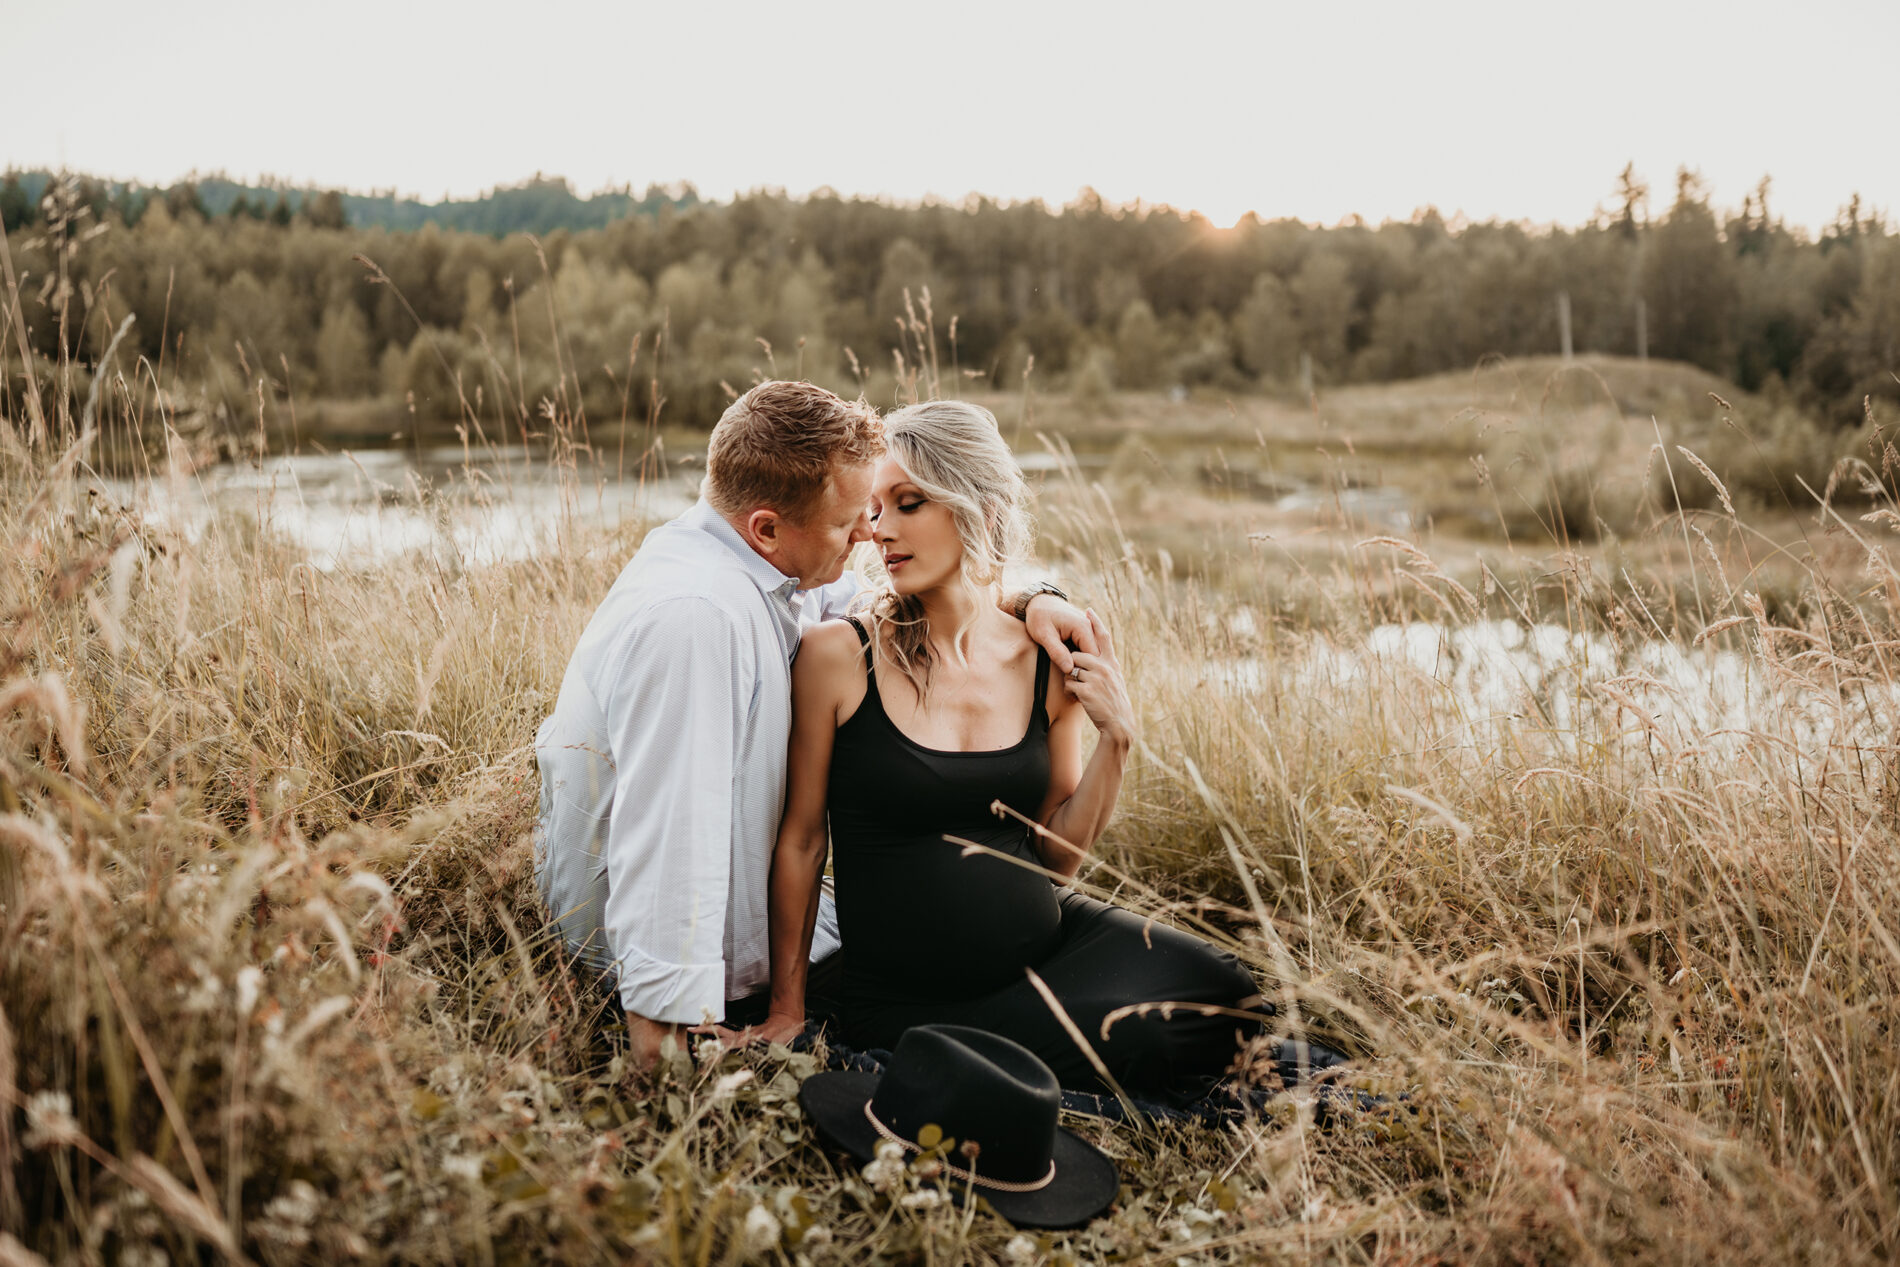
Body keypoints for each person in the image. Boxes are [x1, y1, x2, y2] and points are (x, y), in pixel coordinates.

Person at [533, 381, 1095, 1070]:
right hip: (672, 968)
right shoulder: (697, 619)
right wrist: (664, 1048)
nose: (869, 532)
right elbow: (670, 838)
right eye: (850, 519)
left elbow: (909, 601)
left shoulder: (763, 567)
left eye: (880, 509)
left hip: (762, 937)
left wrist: (1036, 598)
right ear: (767, 527)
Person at [751, 399, 1275, 1105]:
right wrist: (788, 1009)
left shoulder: (1045, 658)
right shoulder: (838, 656)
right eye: (876, 509)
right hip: (905, 995)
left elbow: (1057, 857)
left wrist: (1116, 741)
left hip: (1051, 947)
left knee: (1230, 996)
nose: (882, 531)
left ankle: (1021, 1044)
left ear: (981, 512)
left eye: (910, 504)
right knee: (1144, 1042)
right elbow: (803, 841)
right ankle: (984, 1048)